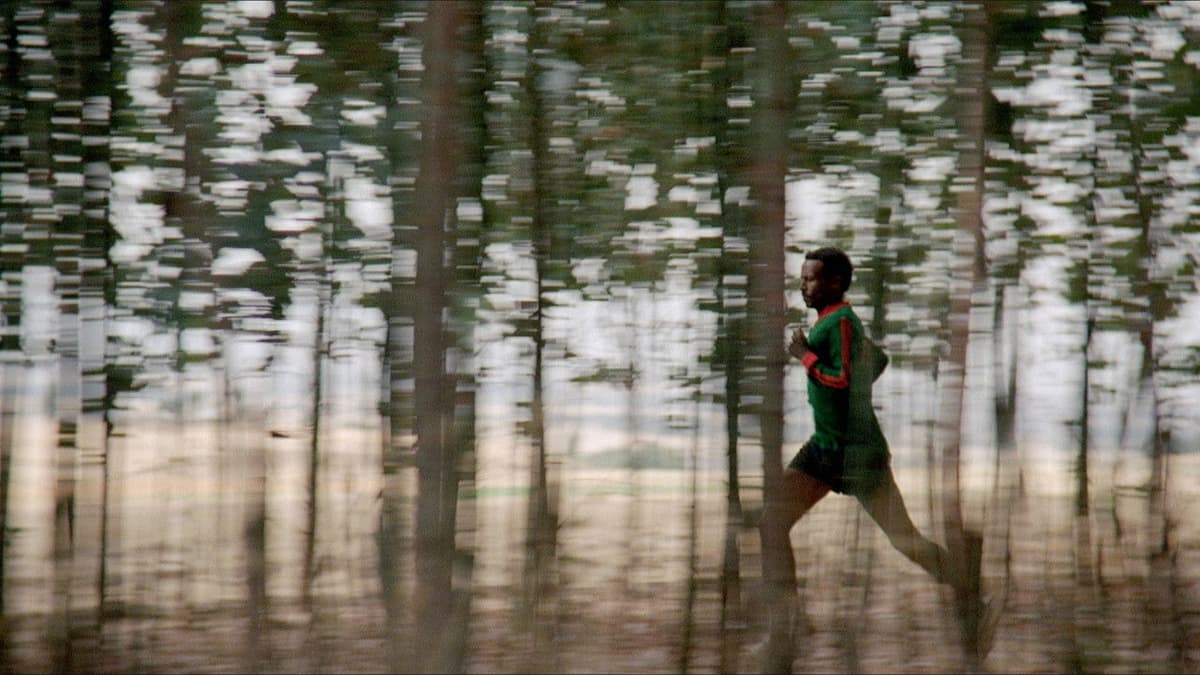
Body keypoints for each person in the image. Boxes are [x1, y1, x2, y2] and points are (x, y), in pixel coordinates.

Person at [758, 247, 990, 660]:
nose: (802, 285)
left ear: (835, 283)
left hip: (860, 456)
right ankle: (787, 625)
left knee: (904, 540)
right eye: (802, 278)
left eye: (810, 279)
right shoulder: (831, 322)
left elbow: (843, 379)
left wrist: (805, 356)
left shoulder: (842, 322)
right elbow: (877, 360)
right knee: (772, 523)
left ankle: (970, 591)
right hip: (824, 448)